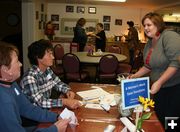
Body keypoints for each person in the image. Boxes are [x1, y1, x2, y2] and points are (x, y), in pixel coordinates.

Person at [0, 41, 70, 132]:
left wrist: (56, 117)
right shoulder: (4, 101)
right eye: (17, 61)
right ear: (5, 69)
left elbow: (27, 108)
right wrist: (54, 129)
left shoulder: (12, 84)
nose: (21, 64)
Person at [129, 12, 180, 128]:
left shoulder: (169, 36)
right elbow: (148, 65)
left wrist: (159, 82)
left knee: (171, 120)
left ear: (158, 24)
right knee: (160, 117)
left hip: (175, 89)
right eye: (144, 25)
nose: (146, 28)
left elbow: (176, 63)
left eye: (149, 25)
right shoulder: (150, 42)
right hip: (159, 88)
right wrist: (135, 75)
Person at [20, 39, 81, 109]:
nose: (53, 57)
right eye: (49, 54)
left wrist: (68, 91)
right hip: (35, 116)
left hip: (46, 111)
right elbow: (40, 102)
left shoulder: (47, 70)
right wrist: (64, 101)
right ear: (38, 57)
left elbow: (57, 83)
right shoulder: (29, 78)